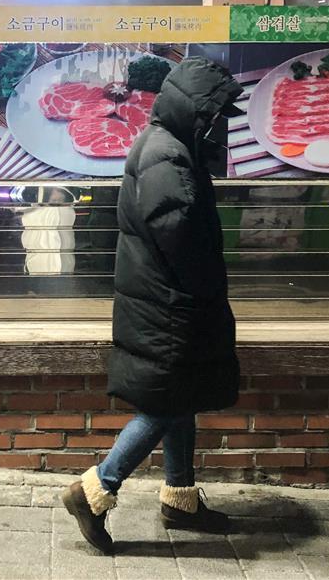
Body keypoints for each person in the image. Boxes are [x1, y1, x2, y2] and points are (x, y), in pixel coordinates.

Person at [62, 58, 243, 555]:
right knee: (165, 404)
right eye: (213, 114)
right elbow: (178, 236)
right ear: (192, 109)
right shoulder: (168, 155)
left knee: (179, 396)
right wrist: (204, 291)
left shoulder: (165, 146)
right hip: (171, 304)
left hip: (162, 299)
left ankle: (180, 500)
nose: (218, 124)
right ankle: (94, 490)